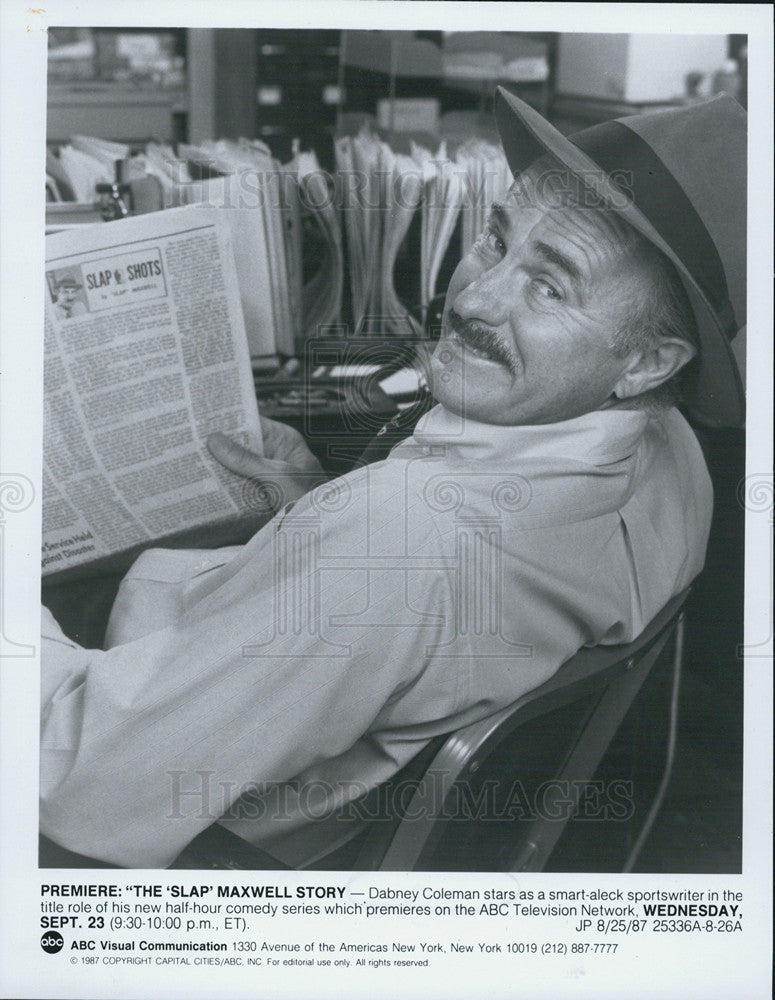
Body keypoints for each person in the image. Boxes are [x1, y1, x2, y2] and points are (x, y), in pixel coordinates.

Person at [40, 89, 746, 869]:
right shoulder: (674, 451)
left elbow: (80, 779)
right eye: (494, 240)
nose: (472, 298)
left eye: (550, 287)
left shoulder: (398, 541)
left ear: (647, 361)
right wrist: (318, 509)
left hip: (203, 831)